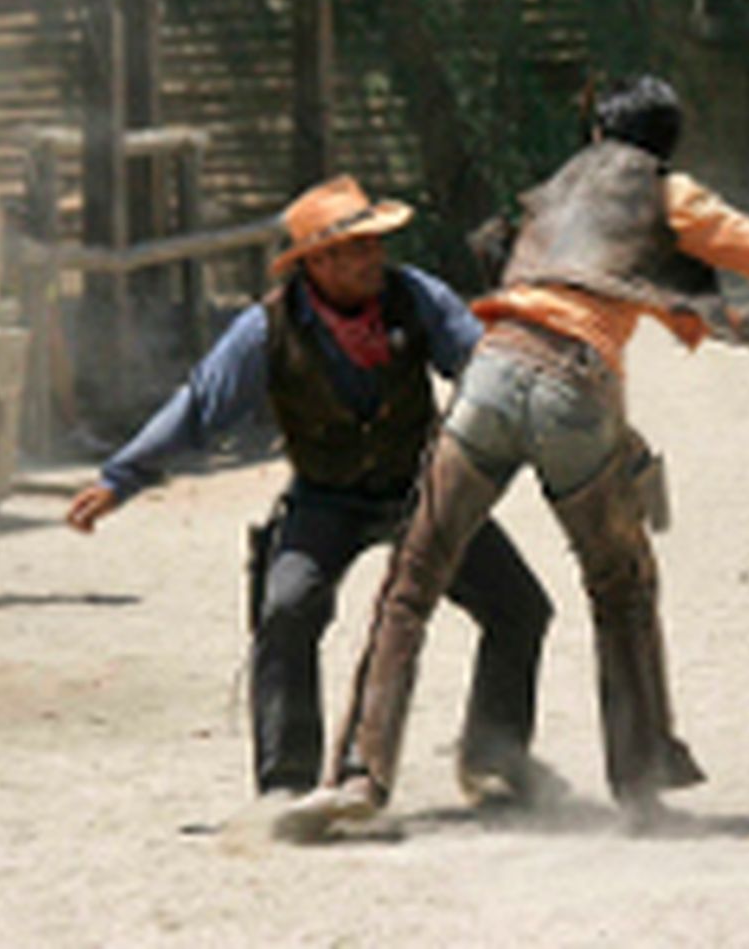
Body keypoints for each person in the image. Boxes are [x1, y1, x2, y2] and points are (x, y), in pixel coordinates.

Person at [276, 74, 749, 841]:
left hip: (490, 376)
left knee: (410, 583)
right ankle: (640, 785)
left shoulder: (553, 192)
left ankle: (359, 777)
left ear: (598, 134)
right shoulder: (669, 194)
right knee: (620, 587)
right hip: (574, 388)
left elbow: (559, 269)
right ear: (666, 145)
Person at [66, 175, 561, 806]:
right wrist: (121, 478)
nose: (373, 258)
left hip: (420, 488)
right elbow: (200, 409)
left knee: (520, 607)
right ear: (316, 263)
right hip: (326, 497)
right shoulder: (265, 329)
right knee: (286, 609)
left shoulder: (416, 298)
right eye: (356, 249)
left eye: (374, 244)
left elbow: (482, 369)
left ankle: (494, 759)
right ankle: (287, 782)